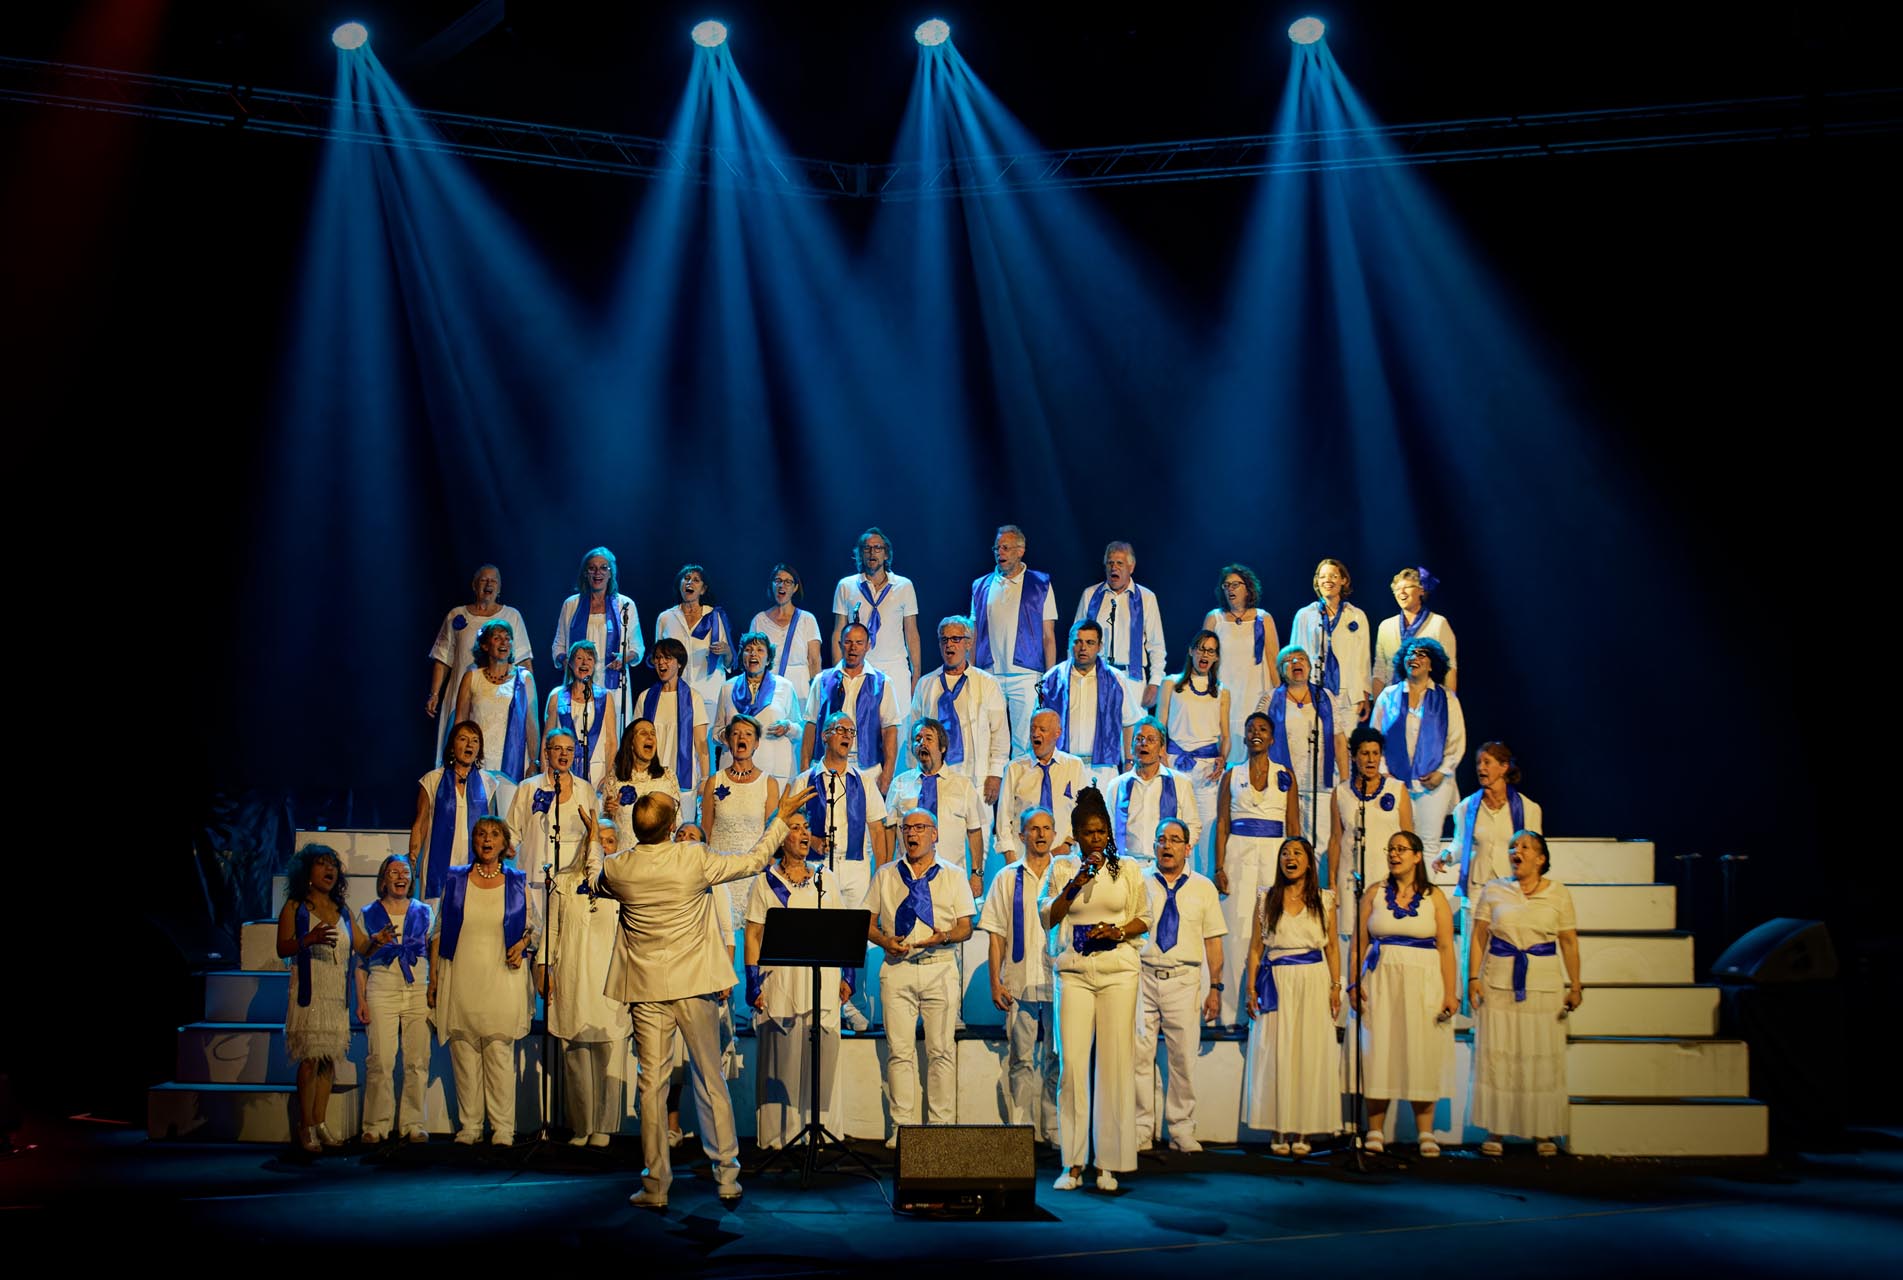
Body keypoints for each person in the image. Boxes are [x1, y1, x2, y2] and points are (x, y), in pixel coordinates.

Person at [598, 780, 815, 1208]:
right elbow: (755, 860)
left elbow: (594, 876)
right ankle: (727, 1175)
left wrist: (592, 840)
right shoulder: (691, 859)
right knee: (709, 1076)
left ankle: (656, 1184)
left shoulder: (620, 866)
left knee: (652, 1085)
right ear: (671, 827)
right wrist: (780, 817)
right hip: (693, 983)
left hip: (646, 987)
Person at [1042, 786, 1149, 1191]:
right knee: (1071, 1067)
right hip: (1074, 974)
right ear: (1076, 834)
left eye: (1102, 831)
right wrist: (1075, 883)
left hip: (1118, 971)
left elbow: (1144, 916)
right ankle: (1072, 1163)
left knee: (1115, 1064)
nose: (1096, 838)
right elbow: (1048, 916)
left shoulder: (1130, 870)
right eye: (1088, 832)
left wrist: (1117, 930)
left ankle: (1108, 1163)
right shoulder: (1062, 868)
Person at [1467, 831, 1582, 1157]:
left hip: (1542, 984)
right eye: (1513, 847)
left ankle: (1542, 1130)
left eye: (1525, 847)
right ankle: (1496, 1129)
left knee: (1540, 1055)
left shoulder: (1558, 893)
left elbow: (1569, 942)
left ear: (1540, 858)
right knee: (1499, 1054)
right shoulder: (1494, 889)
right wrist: (1473, 978)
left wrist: (1575, 984)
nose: (1517, 851)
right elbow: (1479, 937)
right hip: (1499, 981)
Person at [745, 812, 854, 1149]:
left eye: (807, 828)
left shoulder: (826, 880)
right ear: (780, 839)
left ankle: (817, 1130)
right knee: (784, 1054)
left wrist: (847, 974)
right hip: (781, 979)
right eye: (795, 828)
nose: (805, 833)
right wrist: (752, 983)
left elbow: (842, 928)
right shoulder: (764, 882)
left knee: (820, 1056)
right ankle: (781, 1135)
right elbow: (753, 934)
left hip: (819, 978)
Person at [868, 809, 977, 1144]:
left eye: (919, 828)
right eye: (906, 828)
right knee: (899, 1051)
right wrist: (885, 940)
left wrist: (942, 937)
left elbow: (965, 927)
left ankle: (941, 1128)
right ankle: (902, 1129)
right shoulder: (886, 875)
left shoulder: (954, 875)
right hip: (897, 970)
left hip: (938, 967)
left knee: (940, 1050)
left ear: (934, 834)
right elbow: (867, 924)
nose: (911, 834)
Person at [427, 817, 538, 1146]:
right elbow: (438, 932)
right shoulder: (456, 879)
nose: (486, 840)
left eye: (494, 835)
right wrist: (433, 979)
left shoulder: (517, 882)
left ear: (505, 843)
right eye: (480, 834)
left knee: (498, 1051)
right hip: (462, 973)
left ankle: (503, 1127)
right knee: (463, 1050)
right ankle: (471, 1126)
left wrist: (522, 944)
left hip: (502, 976)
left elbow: (532, 928)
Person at [278, 845, 395, 1153]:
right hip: (309, 994)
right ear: (307, 872)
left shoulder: (342, 910)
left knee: (328, 1059)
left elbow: (361, 946)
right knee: (310, 1058)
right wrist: (309, 939)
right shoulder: (295, 907)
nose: (329, 871)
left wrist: (377, 942)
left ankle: (320, 1123)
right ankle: (305, 1127)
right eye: (321, 865)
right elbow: (283, 947)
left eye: (333, 866)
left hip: (335, 996)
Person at [1352, 831, 1455, 1157]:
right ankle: (1376, 1130)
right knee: (1378, 1050)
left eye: (1401, 849)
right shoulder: (1374, 893)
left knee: (1421, 1050)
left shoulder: (1434, 896)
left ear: (1416, 855)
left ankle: (1425, 1132)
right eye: (1391, 849)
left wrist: (1451, 993)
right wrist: (1354, 983)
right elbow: (1359, 942)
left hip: (1423, 982)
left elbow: (1446, 948)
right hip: (1381, 979)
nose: (1394, 855)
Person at [1241, 837, 1342, 1156]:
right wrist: (1251, 986)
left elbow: (1333, 947)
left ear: (1309, 862)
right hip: (1277, 981)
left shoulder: (1324, 900)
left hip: (1312, 980)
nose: (1290, 857)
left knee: (1308, 1052)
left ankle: (1304, 1129)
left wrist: (1335, 986)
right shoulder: (1267, 897)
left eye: (1297, 853)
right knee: (1277, 1051)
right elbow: (1256, 949)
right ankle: (1279, 1127)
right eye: (1285, 853)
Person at [1134, 818, 1226, 1153]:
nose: (1167, 846)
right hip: (1143, 976)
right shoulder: (1139, 881)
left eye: (1175, 840)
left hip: (1184, 980)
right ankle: (1141, 1128)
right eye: (1162, 839)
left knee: (1183, 1059)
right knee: (1138, 1058)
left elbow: (1214, 941)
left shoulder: (1203, 887)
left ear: (1188, 847)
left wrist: (1216, 987)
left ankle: (1182, 1129)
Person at [537, 813, 629, 1148]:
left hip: (610, 977)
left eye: (608, 841)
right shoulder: (563, 882)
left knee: (607, 1050)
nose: (602, 846)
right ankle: (581, 1125)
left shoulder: (622, 884)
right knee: (574, 1049)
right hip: (572, 973)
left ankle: (604, 1126)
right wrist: (543, 969)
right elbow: (552, 930)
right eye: (596, 838)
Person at [978, 807, 1061, 1146]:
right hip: (1019, 980)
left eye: (1046, 828)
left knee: (1057, 1059)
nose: (1040, 835)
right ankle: (1020, 1128)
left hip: (1057, 981)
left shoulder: (1066, 875)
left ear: (1055, 833)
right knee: (1020, 1059)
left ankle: (1054, 1127)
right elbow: (996, 933)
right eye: (1033, 829)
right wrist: (995, 981)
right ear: (1022, 835)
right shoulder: (1006, 877)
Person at [1213, 713, 1302, 1025]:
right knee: (1237, 929)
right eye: (1250, 729)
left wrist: (1298, 871)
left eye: (1262, 729)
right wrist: (1219, 866)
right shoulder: (1232, 775)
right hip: (1239, 854)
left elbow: (1293, 825)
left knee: (1271, 926)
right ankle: (1231, 1012)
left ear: (1272, 738)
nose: (1256, 733)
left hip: (1274, 855)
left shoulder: (1284, 774)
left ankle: (1270, 1004)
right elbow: (1223, 823)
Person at [355, 855, 433, 1145]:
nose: (400, 876)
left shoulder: (425, 911)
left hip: (417, 990)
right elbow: (360, 962)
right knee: (381, 1059)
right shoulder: (367, 912)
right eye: (393, 872)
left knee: (417, 1060)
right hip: (382, 989)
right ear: (383, 879)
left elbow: (433, 954)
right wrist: (361, 1000)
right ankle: (376, 1124)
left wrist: (433, 988)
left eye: (406, 871)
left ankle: (413, 1122)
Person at [903, 616, 1009, 823]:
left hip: (977, 780)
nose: (949, 644)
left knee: (978, 846)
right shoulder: (926, 684)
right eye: (944, 640)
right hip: (936, 778)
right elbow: (912, 734)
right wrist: (913, 776)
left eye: (956, 639)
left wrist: (995, 775)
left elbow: (1000, 734)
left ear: (968, 643)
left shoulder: (986, 683)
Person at [700, 715, 783, 973]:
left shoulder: (768, 783)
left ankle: (755, 1000)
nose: (741, 739)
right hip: (722, 875)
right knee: (723, 942)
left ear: (757, 743)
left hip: (753, 875)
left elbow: (772, 835)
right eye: (736, 734)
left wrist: (766, 876)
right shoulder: (715, 782)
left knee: (754, 940)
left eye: (748, 734)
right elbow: (706, 832)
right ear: (727, 740)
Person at [426, 564, 532, 763]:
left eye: (494, 581)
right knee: (457, 749)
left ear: (500, 588)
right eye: (483, 580)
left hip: (500, 698)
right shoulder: (457, 615)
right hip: (460, 693)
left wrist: (527, 698)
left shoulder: (512, 616)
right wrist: (434, 694)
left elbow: (524, 660)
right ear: (474, 586)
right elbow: (443, 657)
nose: (489, 584)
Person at [1370, 636, 1465, 849]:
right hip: (1394, 781)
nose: (1414, 657)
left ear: (1432, 665)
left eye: (1421, 654)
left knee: (1427, 844)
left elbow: (1456, 740)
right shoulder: (1388, 695)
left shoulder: (1446, 698)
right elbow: (1374, 738)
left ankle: (1425, 884)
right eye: (1410, 653)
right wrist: (1384, 773)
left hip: (1433, 783)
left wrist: (1442, 771)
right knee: (1396, 843)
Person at [972, 524, 1058, 755]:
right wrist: (969, 673)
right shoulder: (981, 586)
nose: (1000, 552)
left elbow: (1048, 635)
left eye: (1006, 548)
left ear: (1020, 551)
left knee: (1024, 742)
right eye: (997, 548)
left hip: (1026, 674)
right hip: (990, 673)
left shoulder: (1040, 584)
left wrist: (1049, 679)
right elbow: (974, 634)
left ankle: (1019, 790)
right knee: (988, 738)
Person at [1155, 629, 1233, 877]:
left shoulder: (1222, 691)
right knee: (1175, 827)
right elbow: (1161, 724)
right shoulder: (1171, 684)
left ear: (1216, 657)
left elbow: (1226, 734)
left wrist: (1223, 758)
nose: (1205, 654)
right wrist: (1163, 756)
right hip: (1176, 766)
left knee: (1207, 831)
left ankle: (1205, 886)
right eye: (1200, 648)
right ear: (1191, 650)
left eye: (1211, 650)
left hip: (1207, 771)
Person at [1265, 645, 1351, 863]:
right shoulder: (1269, 699)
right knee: (1286, 847)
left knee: (1319, 848)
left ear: (1310, 666)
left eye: (1301, 659)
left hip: (1320, 787)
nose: (1296, 663)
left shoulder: (1325, 697)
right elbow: (1258, 740)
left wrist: (1344, 781)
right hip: (1282, 786)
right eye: (1290, 660)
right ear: (1281, 670)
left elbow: (1340, 741)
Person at [410, 720, 513, 901]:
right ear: (452, 746)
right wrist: (412, 858)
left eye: (474, 741)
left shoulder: (488, 783)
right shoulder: (433, 779)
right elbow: (420, 824)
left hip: (474, 859)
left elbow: (492, 826)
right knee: (438, 916)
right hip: (439, 861)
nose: (469, 745)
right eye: (463, 739)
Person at [801, 712, 891, 911]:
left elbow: (877, 830)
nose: (847, 736)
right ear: (825, 736)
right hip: (817, 864)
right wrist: (812, 840)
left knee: (854, 932)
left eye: (851, 732)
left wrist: (880, 874)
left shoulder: (864, 781)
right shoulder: (803, 781)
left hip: (855, 867)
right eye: (840, 730)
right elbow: (788, 824)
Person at [885, 719, 986, 896]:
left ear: (942, 747)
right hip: (907, 879)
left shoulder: (963, 785)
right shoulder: (900, 783)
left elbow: (974, 832)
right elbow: (889, 831)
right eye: (918, 738)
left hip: (950, 880)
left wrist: (977, 874)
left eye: (928, 738)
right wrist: (884, 871)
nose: (922, 743)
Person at [1038, 618, 1138, 793]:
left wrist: (1129, 763)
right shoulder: (1053, 679)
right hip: (1063, 765)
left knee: (1103, 820)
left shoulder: (1115, 679)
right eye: (1078, 642)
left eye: (1090, 642)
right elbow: (1039, 725)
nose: (1083, 648)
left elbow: (1129, 723)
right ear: (1070, 644)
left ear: (1099, 646)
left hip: (1103, 769)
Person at [801, 621, 900, 793]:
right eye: (848, 642)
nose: (853, 647)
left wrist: (887, 775)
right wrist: (804, 769)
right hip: (826, 765)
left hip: (867, 768)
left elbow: (889, 730)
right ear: (840, 644)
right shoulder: (822, 680)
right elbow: (811, 726)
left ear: (868, 646)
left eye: (859, 643)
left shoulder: (882, 682)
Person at [550, 547, 644, 724]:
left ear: (611, 573)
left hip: (613, 684)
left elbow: (637, 648)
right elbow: (559, 645)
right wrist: (570, 665)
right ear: (585, 573)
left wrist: (624, 658)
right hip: (577, 683)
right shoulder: (571, 604)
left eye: (603, 568)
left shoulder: (625, 605)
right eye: (592, 568)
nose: (597, 572)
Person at [832, 527, 921, 706]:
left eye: (878, 548)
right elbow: (838, 634)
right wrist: (837, 672)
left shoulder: (904, 586)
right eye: (867, 548)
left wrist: (916, 675)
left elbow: (912, 634)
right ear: (860, 554)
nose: (873, 552)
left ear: (886, 554)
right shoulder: (846, 586)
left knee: (897, 728)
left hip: (896, 669)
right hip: (859, 668)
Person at [1445, 742, 1545, 901]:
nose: (1480, 768)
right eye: (1478, 763)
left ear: (1503, 767)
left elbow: (1535, 851)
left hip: (1512, 886)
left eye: (1486, 762)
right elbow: (1461, 844)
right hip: (1477, 888)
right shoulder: (1466, 808)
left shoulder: (1528, 809)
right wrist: (1447, 856)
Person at [1074, 541, 1166, 710]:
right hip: (1095, 676)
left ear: (1131, 567)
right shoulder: (1090, 595)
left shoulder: (1146, 598)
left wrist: (1155, 682)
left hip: (1132, 680)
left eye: (1119, 563)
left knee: (1132, 734)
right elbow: (1075, 639)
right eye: (1110, 563)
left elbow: (1157, 645)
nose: (1113, 567)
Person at [1203, 563, 1280, 765]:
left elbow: (1273, 660)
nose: (1230, 589)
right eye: (1226, 586)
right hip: (1225, 698)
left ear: (1248, 588)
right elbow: (1204, 660)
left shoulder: (1263, 618)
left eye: (1235, 585)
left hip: (1256, 697)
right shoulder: (1215, 618)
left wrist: (1280, 698)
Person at [1332, 727, 1415, 909]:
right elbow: (1336, 840)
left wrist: (1410, 881)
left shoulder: (1397, 789)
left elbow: (1409, 839)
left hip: (1387, 876)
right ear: (1354, 756)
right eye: (1365, 753)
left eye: (1375, 753)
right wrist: (1332, 883)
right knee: (1351, 933)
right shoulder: (1341, 793)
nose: (1371, 759)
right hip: (1350, 878)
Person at [506, 728, 596, 895]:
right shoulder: (528, 787)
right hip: (536, 879)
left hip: (573, 882)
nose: (564, 754)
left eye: (569, 749)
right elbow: (512, 829)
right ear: (547, 753)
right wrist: (508, 847)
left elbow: (595, 835)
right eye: (557, 749)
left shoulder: (585, 789)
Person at [450, 618, 538, 780]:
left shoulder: (524, 678)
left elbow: (531, 725)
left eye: (507, 638)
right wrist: (456, 759)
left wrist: (533, 762)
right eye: (497, 638)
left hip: (513, 762)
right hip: (477, 760)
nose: (503, 642)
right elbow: (460, 722)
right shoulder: (472, 677)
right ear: (485, 645)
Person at [1289, 558, 1373, 726]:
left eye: (1333, 576)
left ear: (1343, 580)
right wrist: (1295, 690)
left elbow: (1363, 658)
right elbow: (1294, 656)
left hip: (1348, 693)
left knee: (1346, 746)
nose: (1328, 580)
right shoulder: (1305, 615)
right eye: (1323, 576)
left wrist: (1365, 694)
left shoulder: (1356, 615)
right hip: (1313, 690)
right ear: (1317, 581)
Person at [996, 708, 1086, 862]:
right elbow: (1004, 818)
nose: (1035, 734)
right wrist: (1011, 859)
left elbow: (1083, 813)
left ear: (1057, 733)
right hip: (1024, 859)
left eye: (1042, 729)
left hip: (1064, 859)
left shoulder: (1074, 766)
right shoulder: (1015, 768)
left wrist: (1067, 845)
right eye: (1033, 729)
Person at [1110, 718, 1201, 867]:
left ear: (1162, 749)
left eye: (1151, 740)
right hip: (1127, 866)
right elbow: (1110, 828)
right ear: (1132, 747)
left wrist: (1179, 851)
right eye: (1139, 739)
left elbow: (1193, 824)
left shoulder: (1180, 783)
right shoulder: (1116, 786)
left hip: (1166, 866)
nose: (1143, 744)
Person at [713, 631, 802, 782]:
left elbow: (800, 730)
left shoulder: (785, 686)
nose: (753, 654)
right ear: (742, 656)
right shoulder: (727, 688)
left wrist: (788, 727)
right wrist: (722, 735)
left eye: (760, 650)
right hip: (735, 770)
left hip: (774, 770)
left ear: (768, 659)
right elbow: (716, 730)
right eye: (748, 650)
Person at [656, 564, 735, 726]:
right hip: (676, 691)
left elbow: (730, 662)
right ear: (680, 585)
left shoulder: (715, 616)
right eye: (686, 579)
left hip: (709, 693)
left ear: (703, 589)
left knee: (706, 746)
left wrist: (726, 651)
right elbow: (657, 658)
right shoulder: (666, 618)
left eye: (695, 580)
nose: (689, 583)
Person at [636, 638, 710, 796]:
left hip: (682, 782)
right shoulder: (645, 697)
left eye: (667, 658)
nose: (661, 662)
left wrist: (705, 779)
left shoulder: (693, 698)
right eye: (657, 657)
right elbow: (636, 741)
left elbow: (701, 743)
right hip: (650, 778)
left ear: (679, 663)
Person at [1372, 567, 1458, 701]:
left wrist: (1449, 704)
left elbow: (1450, 668)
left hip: (1429, 701)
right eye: (1397, 589)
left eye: (1407, 587)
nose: (1401, 592)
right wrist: (1379, 706)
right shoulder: (1385, 626)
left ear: (1421, 590)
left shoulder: (1438, 623)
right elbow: (1379, 670)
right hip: (1392, 702)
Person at [543, 641, 619, 789]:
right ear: (570, 663)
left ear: (594, 665)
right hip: (563, 770)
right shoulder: (557, 696)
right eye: (579, 658)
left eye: (589, 659)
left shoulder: (605, 697)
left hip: (597, 773)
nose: (584, 662)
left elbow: (611, 741)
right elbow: (547, 739)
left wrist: (610, 775)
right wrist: (546, 774)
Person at [600, 718, 684, 851]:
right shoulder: (614, 779)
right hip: (627, 857)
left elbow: (678, 822)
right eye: (643, 733)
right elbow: (607, 828)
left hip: (660, 858)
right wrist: (611, 814)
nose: (650, 737)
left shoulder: (667, 777)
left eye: (653, 733)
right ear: (631, 742)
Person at [751, 563, 824, 707]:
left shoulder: (807, 619)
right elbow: (752, 659)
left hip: (800, 693)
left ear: (795, 588)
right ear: (772, 585)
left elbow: (814, 660)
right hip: (768, 692)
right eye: (777, 581)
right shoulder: (759, 620)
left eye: (788, 582)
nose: (781, 585)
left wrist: (817, 697)